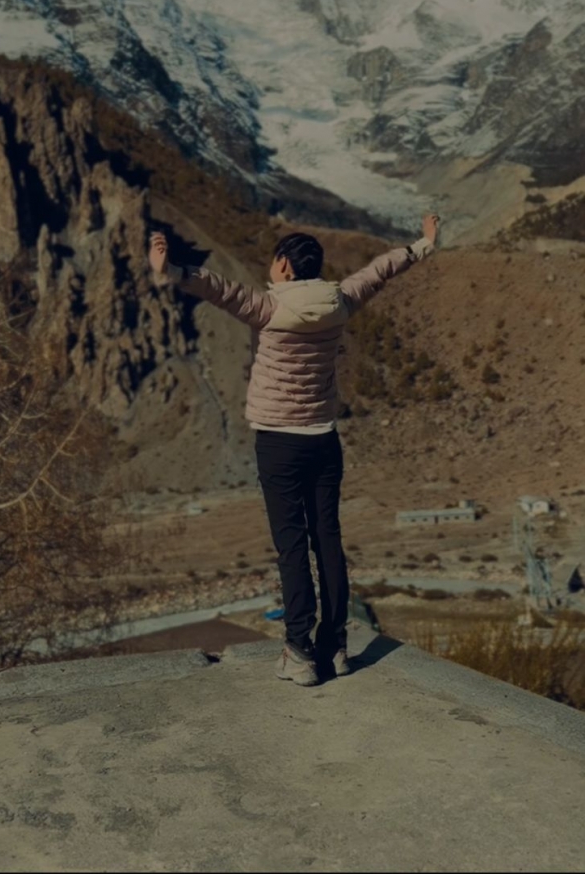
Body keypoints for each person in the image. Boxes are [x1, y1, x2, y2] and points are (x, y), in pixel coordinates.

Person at [148, 213, 440, 687]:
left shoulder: (267, 308)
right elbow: (379, 271)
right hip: (324, 440)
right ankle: (336, 647)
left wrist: (171, 271)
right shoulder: (341, 301)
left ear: (283, 266)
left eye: (273, 262)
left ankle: (299, 652)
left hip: (278, 443)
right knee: (328, 540)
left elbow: (217, 288)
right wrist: (422, 245)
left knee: (292, 547)